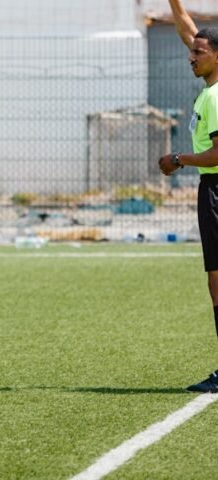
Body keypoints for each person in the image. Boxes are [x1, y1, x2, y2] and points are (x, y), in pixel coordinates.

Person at [161, 0, 218, 392]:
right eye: (191, 51)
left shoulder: (216, 97)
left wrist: (178, 159)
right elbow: (187, 28)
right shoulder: (211, 88)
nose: (191, 57)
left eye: (199, 52)